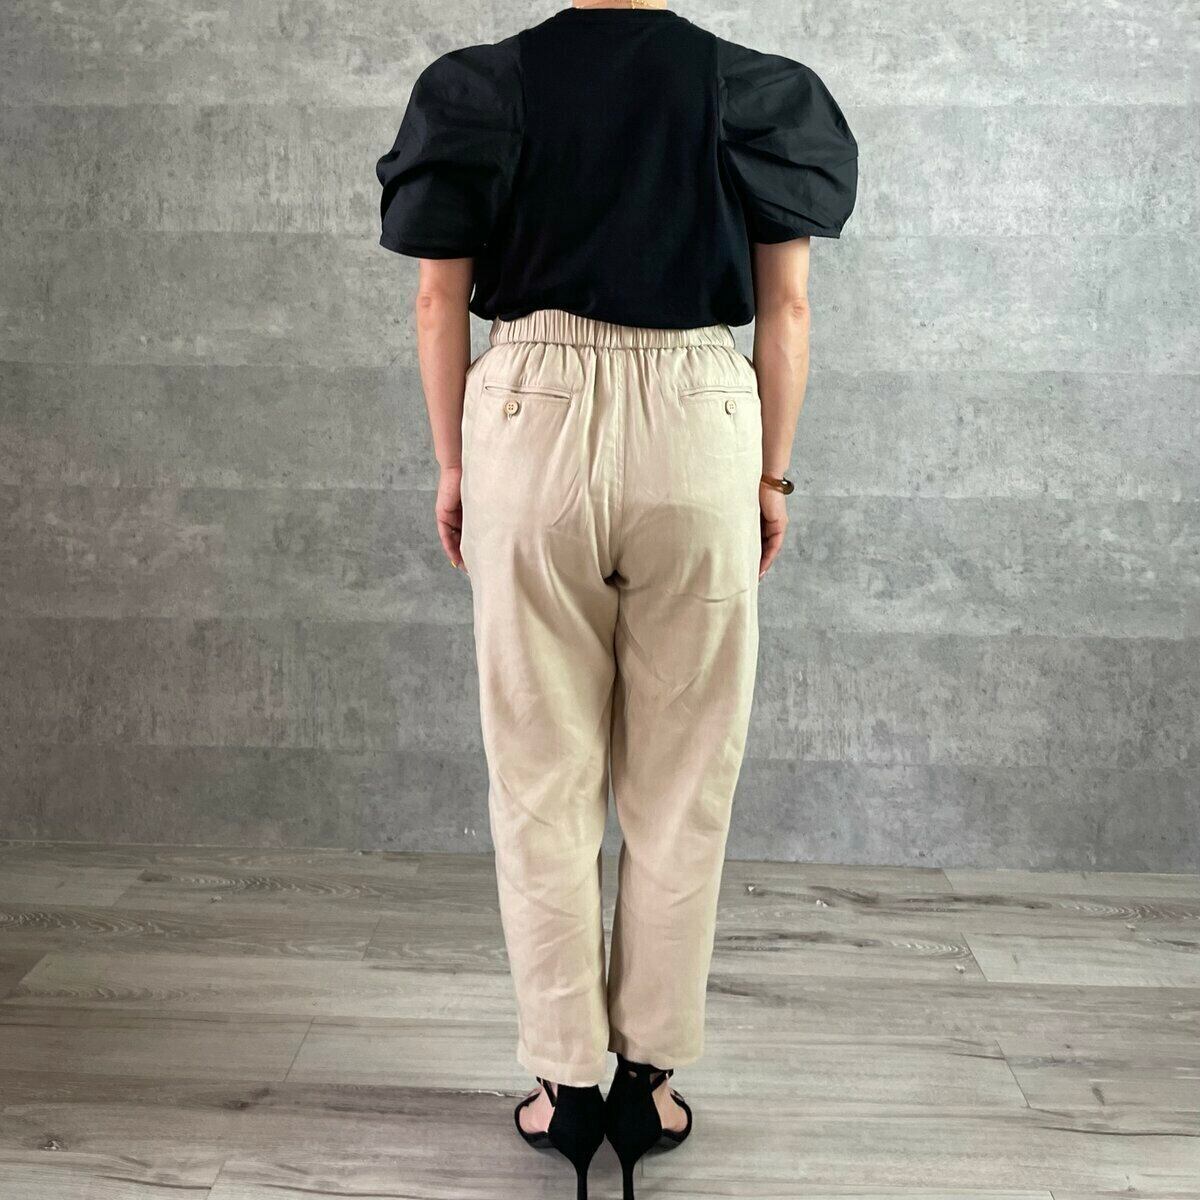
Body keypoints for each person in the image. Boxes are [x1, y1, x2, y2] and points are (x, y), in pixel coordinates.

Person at [374, 2, 857, 1196]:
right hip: (698, 417)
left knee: (539, 772)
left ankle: (565, 1082)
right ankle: (651, 1080)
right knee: (684, 777)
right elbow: (788, 309)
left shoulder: (480, 87)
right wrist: (771, 475)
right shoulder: (757, 92)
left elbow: (439, 304)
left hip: (528, 415)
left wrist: (455, 465)